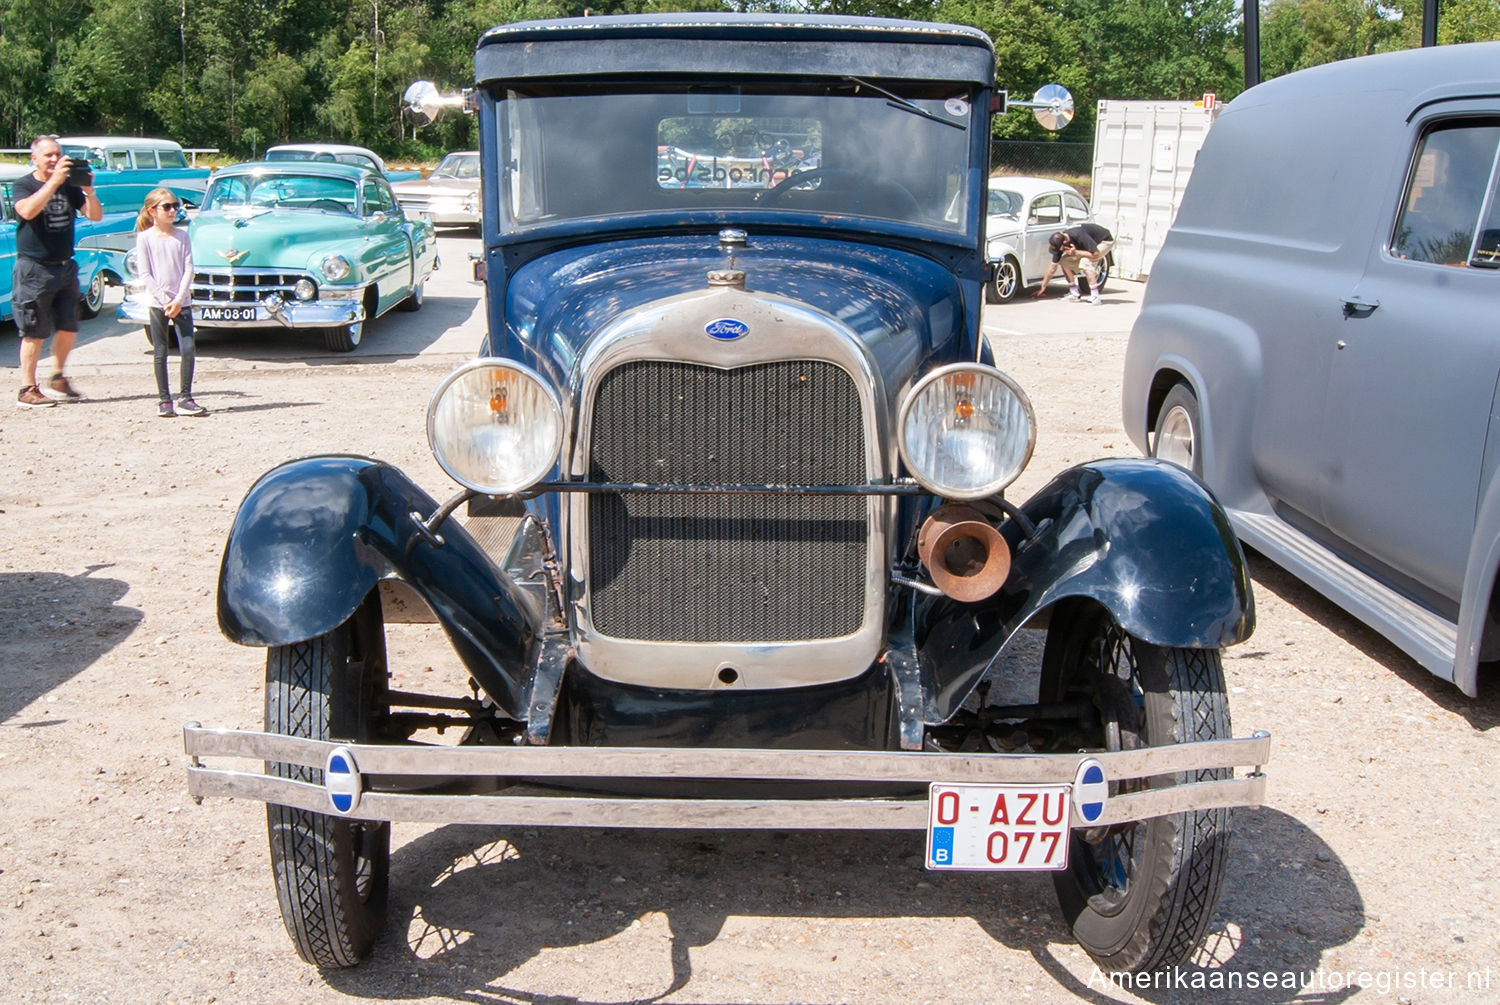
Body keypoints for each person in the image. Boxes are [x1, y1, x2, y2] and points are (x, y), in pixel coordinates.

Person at [13, 135, 102, 408]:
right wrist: (52, 183)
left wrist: (88, 190)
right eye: (48, 155)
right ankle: (27, 389)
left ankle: (57, 377)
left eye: (58, 154)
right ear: (34, 158)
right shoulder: (23, 185)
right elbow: (27, 211)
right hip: (34, 268)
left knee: (68, 327)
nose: (54, 159)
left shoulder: (69, 185)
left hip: (65, 266)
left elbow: (95, 215)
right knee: (34, 332)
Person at [134, 188, 205, 417]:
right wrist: (165, 300)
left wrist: (179, 298)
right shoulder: (145, 238)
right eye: (167, 206)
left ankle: (186, 396)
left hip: (181, 301)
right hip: (158, 303)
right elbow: (145, 273)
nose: (173, 210)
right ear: (152, 211)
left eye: (175, 205)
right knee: (161, 351)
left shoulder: (182, 236)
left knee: (188, 348)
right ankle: (164, 399)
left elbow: (189, 268)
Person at [1033, 223, 1114, 304]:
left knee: (1086, 262)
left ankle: (1095, 296)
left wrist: (1076, 252)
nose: (1061, 251)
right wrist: (1043, 286)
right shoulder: (1059, 241)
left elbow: (1096, 254)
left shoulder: (1079, 235)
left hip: (1104, 241)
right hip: (1088, 245)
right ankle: (1074, 293)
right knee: (1064, 261)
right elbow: (1052, 267)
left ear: (1065, 241)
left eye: (1062, 249)